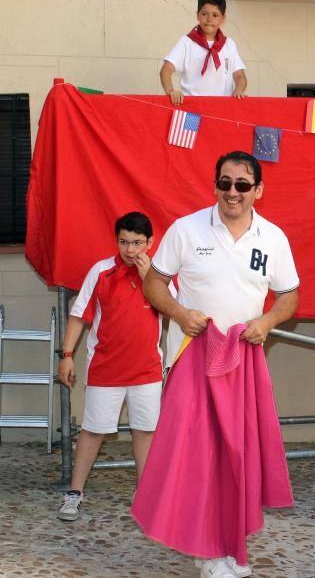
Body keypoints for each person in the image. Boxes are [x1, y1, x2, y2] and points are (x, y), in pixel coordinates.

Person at [137, 151, 299, 578]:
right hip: (194, 354)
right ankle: (207, 551)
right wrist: (178, 313)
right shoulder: (186, 230)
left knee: (236, 457)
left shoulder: (273, 237)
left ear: (258, 190)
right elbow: (153, 282)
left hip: (242, 359)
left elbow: (289, 297)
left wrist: (266, 321)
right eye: (225, 183)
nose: (232, 192)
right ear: (215, 186)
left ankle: (230, 546)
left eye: (242, 185)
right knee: (198, 457)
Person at [56, 212, 164, 522]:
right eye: (124, 242)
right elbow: (79, 315)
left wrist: (150, 281)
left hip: (147, 371)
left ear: (150, 242)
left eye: (137, 243)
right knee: (93, 431)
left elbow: (176, 309)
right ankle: (74, 493)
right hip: (105, 370)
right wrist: (66, 354)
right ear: (116, 240)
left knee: (145, 432)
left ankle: (145, 494)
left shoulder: (159, 273)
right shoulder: (101, 271)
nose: (130, 250)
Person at [160, 0, 247, 105]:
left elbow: (240, 76)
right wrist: (170, 90)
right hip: (192, 108)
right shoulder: (187, 42)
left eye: (215, 15)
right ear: (197, 15)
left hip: (222, 108)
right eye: (204, 14)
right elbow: (165, 70)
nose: (209, 19)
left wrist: (238, 90)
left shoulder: (229, 44)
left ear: (223, 18)